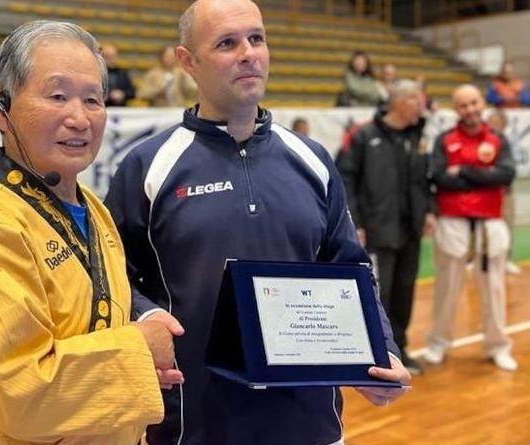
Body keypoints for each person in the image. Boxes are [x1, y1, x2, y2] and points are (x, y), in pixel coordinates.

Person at [105, 1, 410, 444]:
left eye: (257, 38)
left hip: (311, 426)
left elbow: (350, 268)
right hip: (195, 426)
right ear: (187, 61)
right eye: (227, 43)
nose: (248, 53)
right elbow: (112, 276)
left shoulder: (312, 160)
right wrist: (147, 316)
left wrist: (380, 350)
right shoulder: (147, 167)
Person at [0, 20, 183, 445]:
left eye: (93, 100)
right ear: (0, 105)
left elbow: (93, 327)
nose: (79, 118)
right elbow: (17, 393)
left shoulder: (93, 210)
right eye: (57, 96)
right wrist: (139, 351)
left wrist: (142, 337)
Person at [338, 80, 436, 376]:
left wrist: (429, 211)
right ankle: (379, 353)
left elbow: (423, 179)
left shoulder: (417, 135)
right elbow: (345, 179)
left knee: (405, 291)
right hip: (379, 230)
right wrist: (356, 221)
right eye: (414, 99)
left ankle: (401, 349)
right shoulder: (365, 135)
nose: (421, 105)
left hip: (410, 228)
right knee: (380, 293)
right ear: (397, 101)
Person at [423, 84, 518, 372]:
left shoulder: (498, 139)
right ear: (456, 109)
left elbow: (505, 173)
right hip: (453, 220)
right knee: (446, 288)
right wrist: (483, 176)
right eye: (463, 105)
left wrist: (463, 170)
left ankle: (498, 345)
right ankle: (438, 342)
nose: (470, 109)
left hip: (490, 222)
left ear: (482, 103)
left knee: (494, 289)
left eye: (474, 102)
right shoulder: (445, 140)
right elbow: (439, 177)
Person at [487, 108, 522, 275]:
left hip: (504, 192)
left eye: (497, 122)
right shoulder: (482, 141)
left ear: (504, 124)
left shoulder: (508, 143)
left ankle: (507, 259)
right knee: (480, 227)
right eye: (491, 122)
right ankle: (476, 258)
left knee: (506, 225)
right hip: (484, 192)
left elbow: (509, 170)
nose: (493, 125)